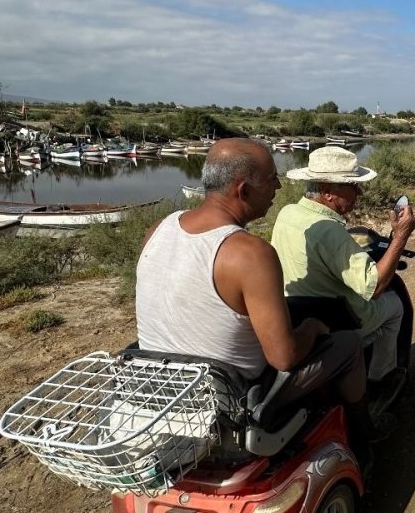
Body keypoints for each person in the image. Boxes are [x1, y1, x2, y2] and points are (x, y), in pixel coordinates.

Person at [135, 139, 386, 460]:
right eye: (271, 179)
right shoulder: (251, 254)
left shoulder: (157, 229)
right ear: (243, 190)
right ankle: (365, 437)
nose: (279, 186)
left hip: (162, 386)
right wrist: (311, 327)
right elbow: (285, 357)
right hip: (234, 396)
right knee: (349, 343)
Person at [271, 145, 415, 411]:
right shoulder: (330, 231)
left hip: (298, 311)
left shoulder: (287, 213)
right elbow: (374, 287)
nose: (358, 192)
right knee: (394, 306)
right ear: (328, 192)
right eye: (352, 186)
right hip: (338, 319)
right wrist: (401, 236)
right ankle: (380, 378)